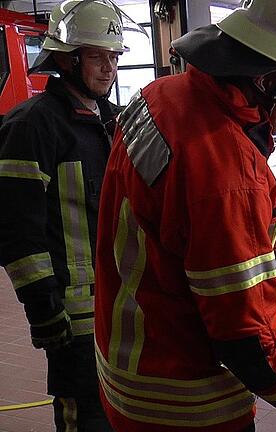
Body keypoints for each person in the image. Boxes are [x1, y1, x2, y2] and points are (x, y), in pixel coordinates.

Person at [93, 1, 276, 431]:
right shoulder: (227, 173)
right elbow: (247, 339)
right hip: (186, 402)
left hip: (125, 369)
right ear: (267, 79)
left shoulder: (160, 96)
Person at [0, 0, 131, 430]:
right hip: (72, 318)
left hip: (125, 307)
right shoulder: (32, 125)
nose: (108, 68)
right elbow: (17, 233)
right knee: (86, 419)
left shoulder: (115, 122)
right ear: (65, 58)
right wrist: (44, 310)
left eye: (114, 56)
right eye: (96, 55)